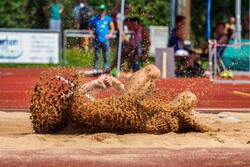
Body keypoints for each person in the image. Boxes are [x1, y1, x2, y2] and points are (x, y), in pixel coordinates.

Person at [30, 64, 211, 134]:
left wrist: (109, 83)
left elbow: (69, 98)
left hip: (135, 117)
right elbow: (70, 98)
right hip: (129, 118)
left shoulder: (83, 107)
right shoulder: (77, 110)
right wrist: (96, 83)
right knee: (152, 71)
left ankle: (184, 105)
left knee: (188, 95)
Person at [88, 4, 115, 74]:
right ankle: (95, 68)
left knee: (106, 55)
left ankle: (105, 68)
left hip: (105, 40)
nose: (101, 11)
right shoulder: (94, 19)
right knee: (96, 55)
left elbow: (112, 27)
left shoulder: (108, 19)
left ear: (105, 11)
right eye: (100, 10)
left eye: (103, 10)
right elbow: (89, 27)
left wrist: (110, 34)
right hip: (97, 40)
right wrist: (91, 34)